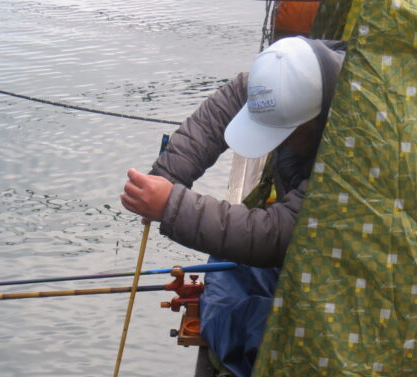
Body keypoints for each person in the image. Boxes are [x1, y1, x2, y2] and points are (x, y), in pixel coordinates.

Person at [119, 36, 345, 268]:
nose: (280, 143)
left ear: (318, 119)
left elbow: (284, 234)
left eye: (285, 134)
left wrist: (172, 206)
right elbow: (234, 99)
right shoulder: (305, 74)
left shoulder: (351, 150)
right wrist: (168, 175)